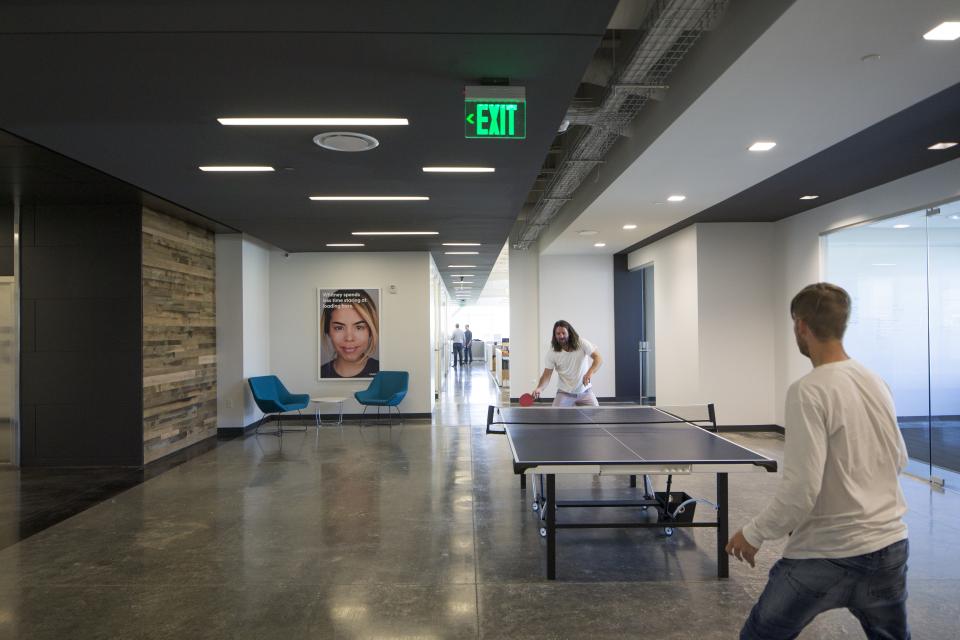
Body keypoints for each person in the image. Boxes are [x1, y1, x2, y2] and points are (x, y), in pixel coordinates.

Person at [726, 283, 910, 640]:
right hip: (889, 546)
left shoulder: (808, 390)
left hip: (826, 554)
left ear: (801, 326)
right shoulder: (876, 381)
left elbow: (800, 488)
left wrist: (753, 533)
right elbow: (898, 458)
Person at [532, 320, 602, 406]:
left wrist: (589, 373)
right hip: (564, 393)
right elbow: (547, 374)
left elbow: (598, 358)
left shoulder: (582, 343)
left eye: (563, 333)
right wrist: (539, 388)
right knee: (556, 417)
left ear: (569, 333)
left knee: (596, 417)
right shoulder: (552, 353)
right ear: (555, 335)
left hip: (585, 392)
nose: (561, 336)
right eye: (558, 333)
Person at [319, 289, 380, 378]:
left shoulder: (383, 373)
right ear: (327, 330)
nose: (349, 338)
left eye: (359, 327)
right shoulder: (319, 374)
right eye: (339, 328)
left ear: (371, 330)